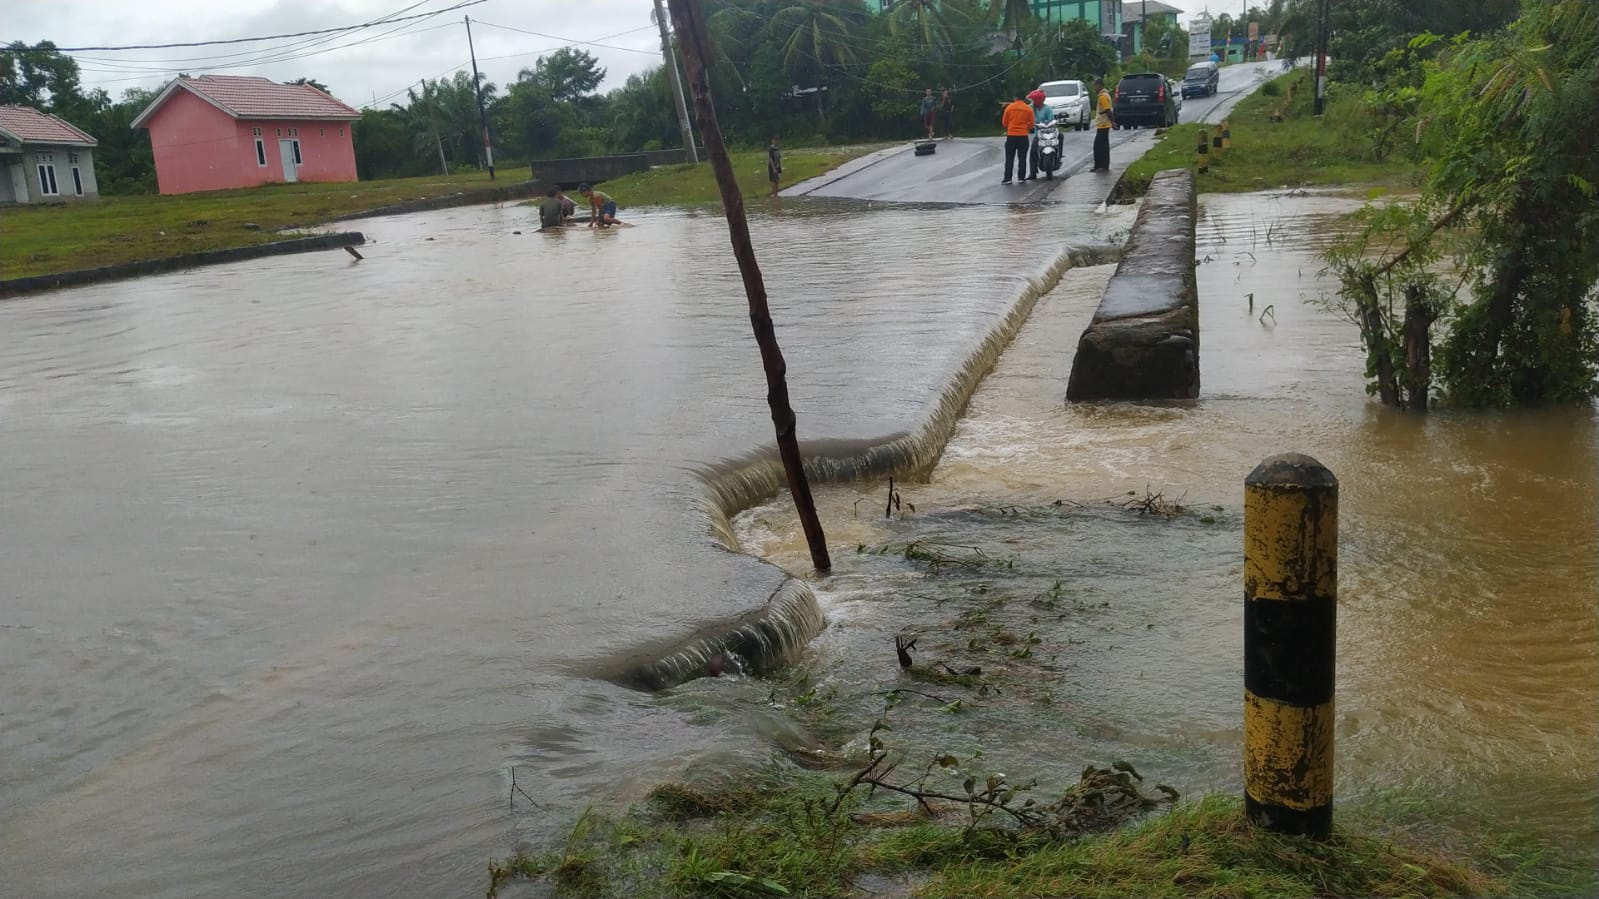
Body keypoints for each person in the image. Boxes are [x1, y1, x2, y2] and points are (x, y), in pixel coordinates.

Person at [1000, 91, 1034, 185]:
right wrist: (1025, 128)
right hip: (1023, 135)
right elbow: (1031, 124)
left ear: (1015, 97)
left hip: (1011, 135)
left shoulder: (1009, 108)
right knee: (1022, 157)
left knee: (1009, 158)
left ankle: (1008, 178)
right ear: (1024, 99)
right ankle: (1021, 177)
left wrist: (1011, 127)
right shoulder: (1028, 109)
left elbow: (1004, 122)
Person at [1024, 88, 1054, 181]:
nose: (1033, 101)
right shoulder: (1031, 108)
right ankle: (1033, 172)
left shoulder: (1047, 109)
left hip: (1049, 132)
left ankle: (1058, 156)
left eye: (1034, 100)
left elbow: (1051, 120)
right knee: (1033, 150)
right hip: (1038, 134)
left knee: (1060, 137)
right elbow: (1024, 109)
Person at [1091, 78, 1114, 172]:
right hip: (1104, 124)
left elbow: (1108, 110)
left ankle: (1099, 165)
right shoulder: (1106, 94)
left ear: (1099, 85)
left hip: (1103, 124)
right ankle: (1104, 165)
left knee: (1098, 146)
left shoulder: (1102, 97)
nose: (1094, 88)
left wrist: (1112, 122)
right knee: (1104, 146)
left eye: (1095, 86)